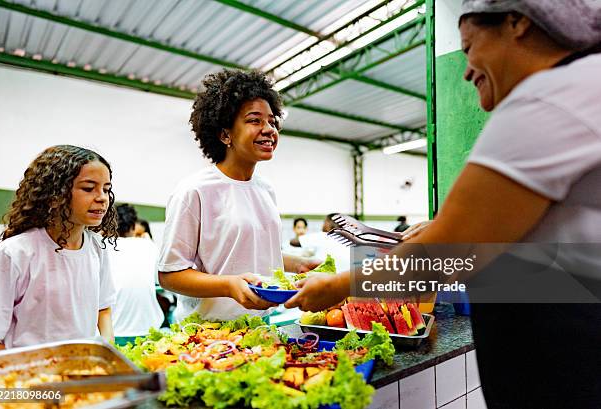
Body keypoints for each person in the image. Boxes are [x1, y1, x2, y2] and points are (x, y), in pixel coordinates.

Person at [287, 1, 601, 407]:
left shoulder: (548, 99)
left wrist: (335, 287)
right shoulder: (585, 86)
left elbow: (446, 254)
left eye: (468, 48)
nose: (467, 69)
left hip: (570, 368)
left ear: (518, 21)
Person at [158, 69, 317, 322]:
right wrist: (229, 286)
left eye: (272, 121)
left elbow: (254, 254)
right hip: (206, 334)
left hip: (259, 325)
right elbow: (170, 274)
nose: (269, 129)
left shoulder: (265, 189)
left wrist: (298, 264)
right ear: (225, 134)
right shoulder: (195, 191)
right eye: (255, 120)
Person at [0, 145, 118, 350]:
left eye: (106, 189)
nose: (102, 197)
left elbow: (103, 310)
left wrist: (107, 351)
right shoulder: (15, 253)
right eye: (88, 188)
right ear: (55, 195)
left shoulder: (96, 247)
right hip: (31, 376)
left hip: (82, 370)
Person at [110, 204, 164, 345]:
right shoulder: (148, 246)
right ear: (133, 226)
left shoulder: (101, 247)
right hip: (150, 330)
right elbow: (160, 280)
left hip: (112, 332)